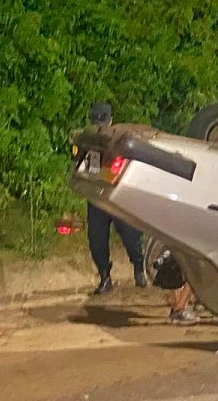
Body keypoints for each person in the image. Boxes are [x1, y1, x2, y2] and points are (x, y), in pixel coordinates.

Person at [84, 103, 147, 294]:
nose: (100, 126)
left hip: (121, 197)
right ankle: (105, 277)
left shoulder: (123, 139)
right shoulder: (88, 141)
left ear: (110, 120)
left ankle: (138, 267)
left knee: (130, 237)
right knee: (97, 240)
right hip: (98, 197)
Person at [151, 249, 200, 325]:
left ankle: (177, 310)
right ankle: (179, 310)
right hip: (180, 253)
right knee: (191, 280)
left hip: (172, 252)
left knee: (179, 278)